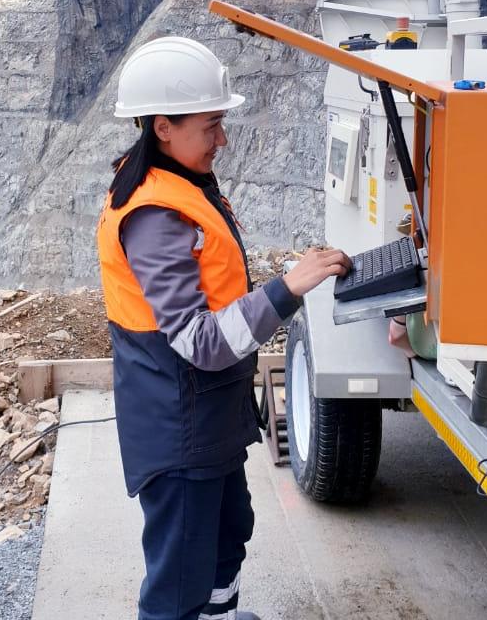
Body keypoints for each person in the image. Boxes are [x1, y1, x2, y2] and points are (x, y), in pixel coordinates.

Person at [96, 36, 351, 620]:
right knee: (178, 581)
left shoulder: (180, 185)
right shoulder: (154, 217)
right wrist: (287, 289)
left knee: (229, 532)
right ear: (163, 126)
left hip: (208, 415)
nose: (223, 139)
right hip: (179, 425)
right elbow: (202, 342)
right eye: (210, 125)